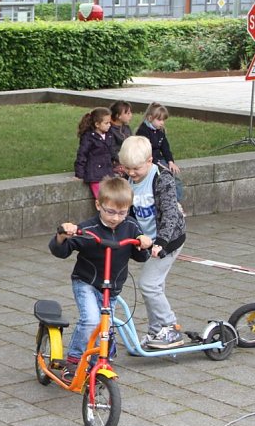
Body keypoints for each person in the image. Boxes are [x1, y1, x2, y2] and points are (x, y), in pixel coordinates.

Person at [50, 177, 152, 379]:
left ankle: (98, 361)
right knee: (91, 320)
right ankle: (74, 360)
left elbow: (140, 256)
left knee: (105, 326)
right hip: (87, 282)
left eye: (122, 212)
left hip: (112, 288)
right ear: (98, 205)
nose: (115, 218)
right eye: (110, 211)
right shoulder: (88, 229)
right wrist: (63, 235)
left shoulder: (131, 226)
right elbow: (60, 251)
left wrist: (144, 243)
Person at [119, 136, 186, 349]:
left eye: (136, 168)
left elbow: (170, 214)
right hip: (148, 241)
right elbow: (129, 211)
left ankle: (171, 328)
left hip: (169, 239)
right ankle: (156, 332)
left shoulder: (161, 178)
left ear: (149, 161)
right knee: (154, 287)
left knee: (148, 284)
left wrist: (161, 242)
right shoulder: (129, 179)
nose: (131, 173)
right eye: (127, 168)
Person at [74, 107, 115, 198]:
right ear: (97, 124)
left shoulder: (109, 135)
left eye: (110, 123)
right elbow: (82, 154)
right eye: (106, 123)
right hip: (95, 174)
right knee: (101, 199)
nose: (109, 125)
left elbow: (112, 152)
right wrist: (79, 173)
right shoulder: (88, 137)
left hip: (107, 173)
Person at [136, 102, 180, 175]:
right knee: (167, 174)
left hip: (159, 159)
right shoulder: (143, 131)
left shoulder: (160, 130)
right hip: (148, 161)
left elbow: (165, 148)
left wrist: (170, 161)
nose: (162, 123)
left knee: (174, 173)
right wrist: (158, 163)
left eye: (163, 120)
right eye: (159, 120)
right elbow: (146, 152)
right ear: (150, 118)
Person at [108, 100, 133, 177]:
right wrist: (123, 161)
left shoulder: (127, 128)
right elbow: (112, 151)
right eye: (127, 113)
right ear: (118, 116)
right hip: (117, 161)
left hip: (129, 159)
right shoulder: (110, 130)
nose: (131, 115)